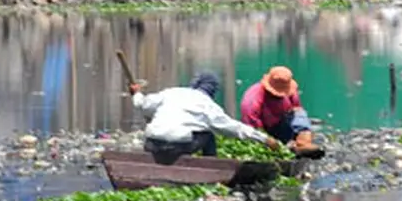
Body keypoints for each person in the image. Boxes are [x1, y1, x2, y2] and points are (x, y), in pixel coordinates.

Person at [131, 71, 280, 165]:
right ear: (212, 91)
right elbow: (233, 128)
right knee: (209, 135)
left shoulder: (170, 92)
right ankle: (210, 167)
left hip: (151, 144)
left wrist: (136, 93)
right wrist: (263, 139)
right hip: (177, 147)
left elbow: (141, 103)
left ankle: (152, 161)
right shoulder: (207, 105)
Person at [240, 66, 323, 158]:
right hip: (264, 129)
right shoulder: (252, 100)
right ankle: (289, 147)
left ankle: (302, 145)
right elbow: (253, 128)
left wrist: (304, 133)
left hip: (282, 125)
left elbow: (297, 109)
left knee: (300, 114)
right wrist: (266, 140)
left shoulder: (290, 91)